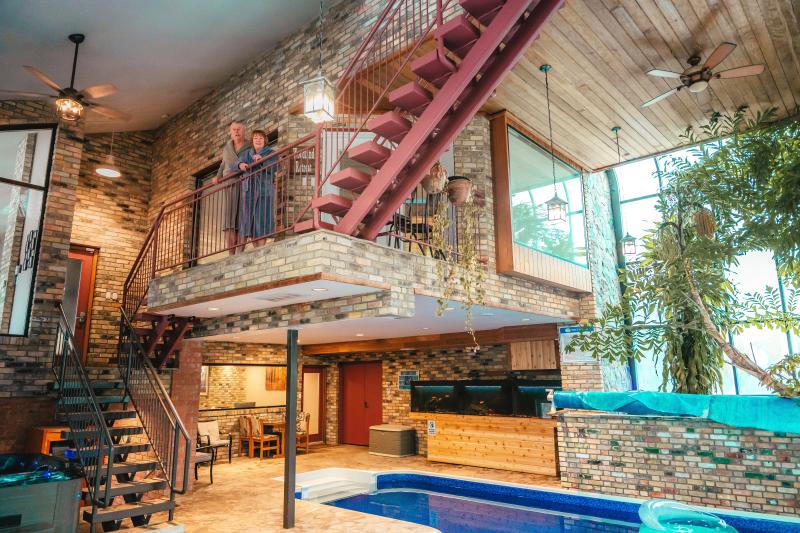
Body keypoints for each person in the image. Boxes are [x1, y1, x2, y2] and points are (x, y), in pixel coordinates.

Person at [214, 120, 250, 253]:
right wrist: (218, 176)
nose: (236, 132)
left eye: (239, 129)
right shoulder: (227, 147)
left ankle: (240, 251)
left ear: (244, 130)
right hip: (229, 183)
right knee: (229, 218)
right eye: (234, 129)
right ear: (230, 132)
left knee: (242, 215)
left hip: (243, 181)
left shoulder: (249, 145)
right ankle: (231, 253)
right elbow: (223, 164)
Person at [238, 130, 276, 247]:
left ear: (265, 140)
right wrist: (240, 165)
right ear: (252, 141)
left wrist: (262, 161)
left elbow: (276, 167)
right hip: (249, 191)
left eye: (260, 138)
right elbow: (236, 164)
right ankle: (256, 250)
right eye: (255, 138)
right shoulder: (246, 154)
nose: (258, 140)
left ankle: (261, 249)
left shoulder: (270, 153)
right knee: (250, 222)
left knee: (262, 219)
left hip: (265, 191)